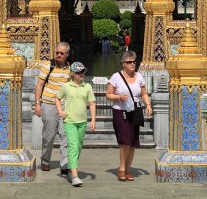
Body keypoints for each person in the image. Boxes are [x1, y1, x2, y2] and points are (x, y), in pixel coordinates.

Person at [106, 51, 152, 182]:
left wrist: (148, 104)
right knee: (125, 142)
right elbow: (108, 94)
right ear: (123, 64)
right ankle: (121, 169)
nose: (132, 64)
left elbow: (143, 93)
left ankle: (128, 169)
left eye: (134, 61)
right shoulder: (116, 77)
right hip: (121, 112)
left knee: (132, 142)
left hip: (135, 111)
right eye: (129, 62)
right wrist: (118, 97)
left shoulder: (139, 76)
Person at [56, 62, 96, 187]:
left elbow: (92, 104)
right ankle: (75, 176)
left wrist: (93, 120)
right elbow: (57, 98)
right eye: (78, 72)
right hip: (69, 122)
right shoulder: (66, 86)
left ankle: (70, 168)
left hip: (82, 122)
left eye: (83, 72)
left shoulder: (88, 86)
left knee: (78, 146)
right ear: (73, 73)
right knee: (73, 146)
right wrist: (60, 111)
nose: (81, 74)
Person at [35, 42, 70, 174]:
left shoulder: (69, 68)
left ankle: (65, 163)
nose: (59, 55)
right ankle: (45, 160)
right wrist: (37, 103)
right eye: (57, 52)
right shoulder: (48, 66)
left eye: (62, 53)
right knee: (48, 135)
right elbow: (39, 85)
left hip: (64, 105)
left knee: (65, 134)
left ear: (67, 54)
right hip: (48, 103)